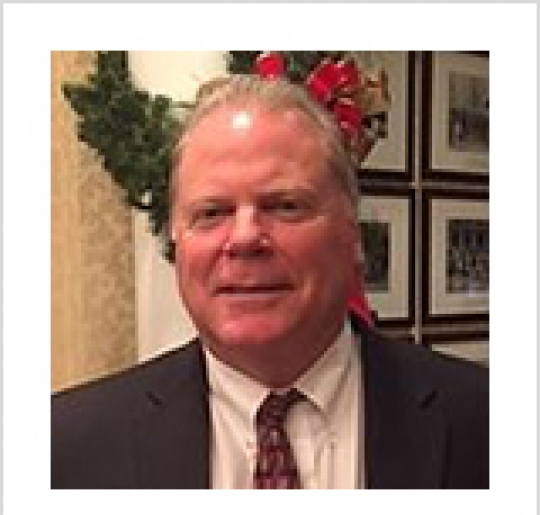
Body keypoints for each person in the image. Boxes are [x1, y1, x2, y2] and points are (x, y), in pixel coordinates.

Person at [51, 74, 489, 489]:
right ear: (176, 242)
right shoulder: (65, 448)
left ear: (352, 233)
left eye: (285, 206)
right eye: (212, 213)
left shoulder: (486, 422)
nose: (244, 239)